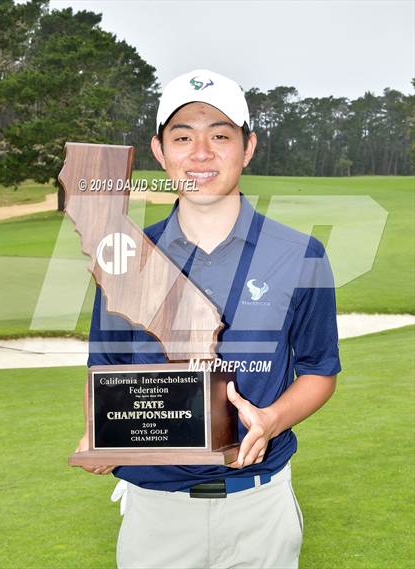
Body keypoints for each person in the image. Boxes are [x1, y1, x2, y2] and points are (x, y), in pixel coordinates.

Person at [76, 69, 341, 569]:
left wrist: (272, 419)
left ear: (248, 147)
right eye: (183, 137)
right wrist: (100, 433)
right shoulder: (123, 257)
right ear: (159, 150)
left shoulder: (301, 253)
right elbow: (104, 368)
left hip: (259, 507)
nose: (201, 154)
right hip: (155, 513)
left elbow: (319, 370)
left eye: (220, 135)